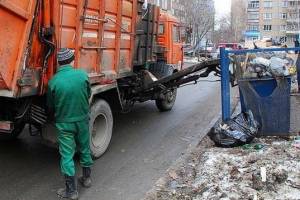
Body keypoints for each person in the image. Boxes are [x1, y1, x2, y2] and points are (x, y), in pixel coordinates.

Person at [47, 48, 93, 200]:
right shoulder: (82, 75)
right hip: (82, 120)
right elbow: (88, 94)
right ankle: (86, 179)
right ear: (72, 61)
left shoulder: (53, 81)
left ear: (59, 63)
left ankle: (71, 192)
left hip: (64, 124)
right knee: (85, 148)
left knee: (67, 155)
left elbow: (50, 106)